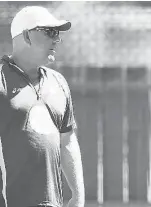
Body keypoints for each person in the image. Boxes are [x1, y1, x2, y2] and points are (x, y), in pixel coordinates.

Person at [0, 6, 85, 207]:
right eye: (49, 32)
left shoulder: (58, 82)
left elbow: (68, 141)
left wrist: (78, 195)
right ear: (26, 36)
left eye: (57, 33)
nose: (56, 39)